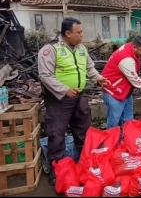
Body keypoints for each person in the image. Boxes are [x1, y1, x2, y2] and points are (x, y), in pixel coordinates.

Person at [38, 17, 109, 186]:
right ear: (68, 34)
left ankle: (84, 164)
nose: (82, 35)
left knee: (83, 132)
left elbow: (89, 67)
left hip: (80, 97)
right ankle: (57, 170)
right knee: (57, 134)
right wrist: (64, 90)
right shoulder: (50, 50)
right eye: (79, 32)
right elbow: (45, 75)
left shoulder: (82, 49)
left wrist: (98, 78)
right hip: (59, 100)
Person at [102, 36, 141, 129]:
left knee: (128, 120)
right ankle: (111, 141)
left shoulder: (131, 49)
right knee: (114, 122)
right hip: (114, 91)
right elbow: (134, 80)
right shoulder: (126, 58)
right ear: (134, 47)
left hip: (125, 91)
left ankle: (127, 139)